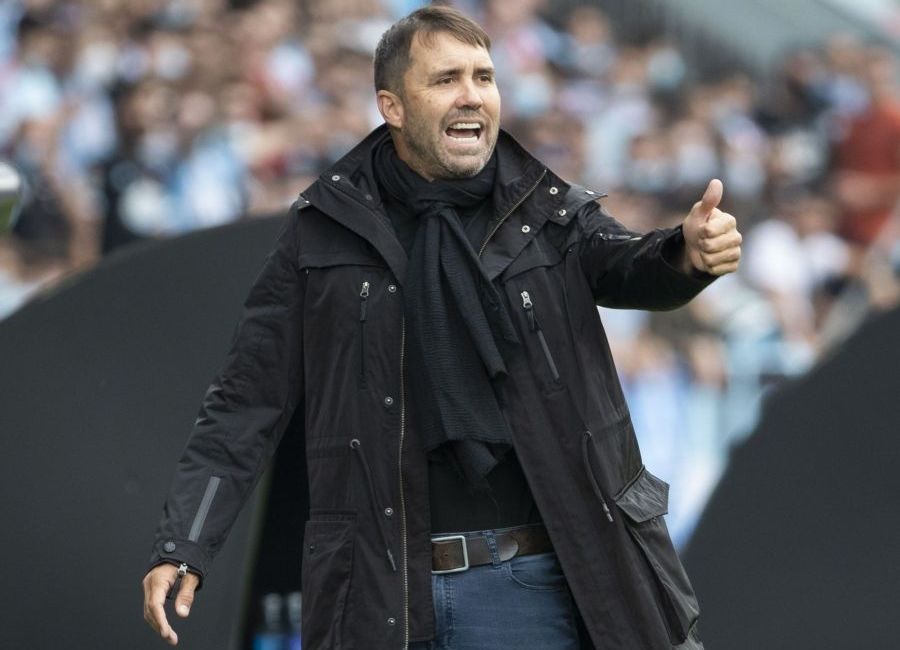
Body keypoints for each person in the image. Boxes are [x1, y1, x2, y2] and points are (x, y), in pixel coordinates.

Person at [141, 6, 741, 649]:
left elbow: (625, 264)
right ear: (392, 106)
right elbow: (245, 400)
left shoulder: (541, 207)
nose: (472, 95)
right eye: (447, 79)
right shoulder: (322, 229)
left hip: (529, 587)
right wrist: (186, 542)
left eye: (485, 77)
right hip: (379, 592)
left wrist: (684, 252)